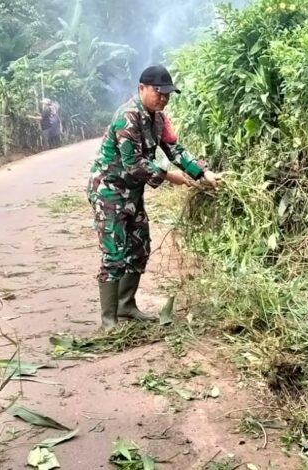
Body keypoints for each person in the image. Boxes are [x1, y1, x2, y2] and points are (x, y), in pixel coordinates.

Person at [88, 64, 222, 329]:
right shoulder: (127, 116)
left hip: (132, 193)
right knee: (114, 253)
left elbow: (175, 150)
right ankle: (108, 320)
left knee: (139, 247)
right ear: (142, 89)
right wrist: (170, 177)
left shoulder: (157, 118)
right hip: (109, 191)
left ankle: (127, 306)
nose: (163, 98)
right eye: (158, 92)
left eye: (167, 94)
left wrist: (203, 173)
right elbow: (133, 164)